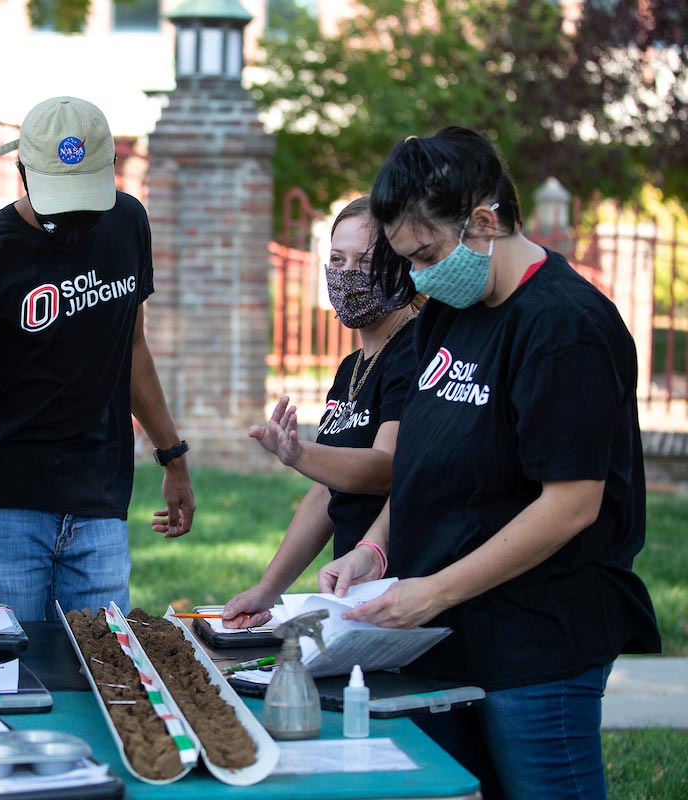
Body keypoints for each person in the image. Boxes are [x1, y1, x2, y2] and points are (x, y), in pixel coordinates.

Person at [322, 127, 661, 799]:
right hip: (443, 637)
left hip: (535, 642)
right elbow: (421, 459)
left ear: (485, 220)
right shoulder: (452, 311)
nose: (418, 277)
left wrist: (436, 590)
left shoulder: (565, 327)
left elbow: (571, 504)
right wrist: (374, 550)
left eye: (424, 254)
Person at [0, 96, 196, 621]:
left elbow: (132, 349)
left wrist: (172, 457)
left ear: (110, 169)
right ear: (23, 172)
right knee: (13, 676)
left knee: (109, 676)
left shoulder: (127, 223)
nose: (76, 218)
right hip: (2, 512)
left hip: (100, 503)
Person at [221, 196, 418, 627]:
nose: (346, 275)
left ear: (402, 265)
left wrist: (299, 454)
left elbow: (387, 468)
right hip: (355, 587)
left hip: (402, 584)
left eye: (365, 262)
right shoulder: (352, 367)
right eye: (336, 259)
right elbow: (327, 491)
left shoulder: (413, 350)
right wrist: (267, 589)